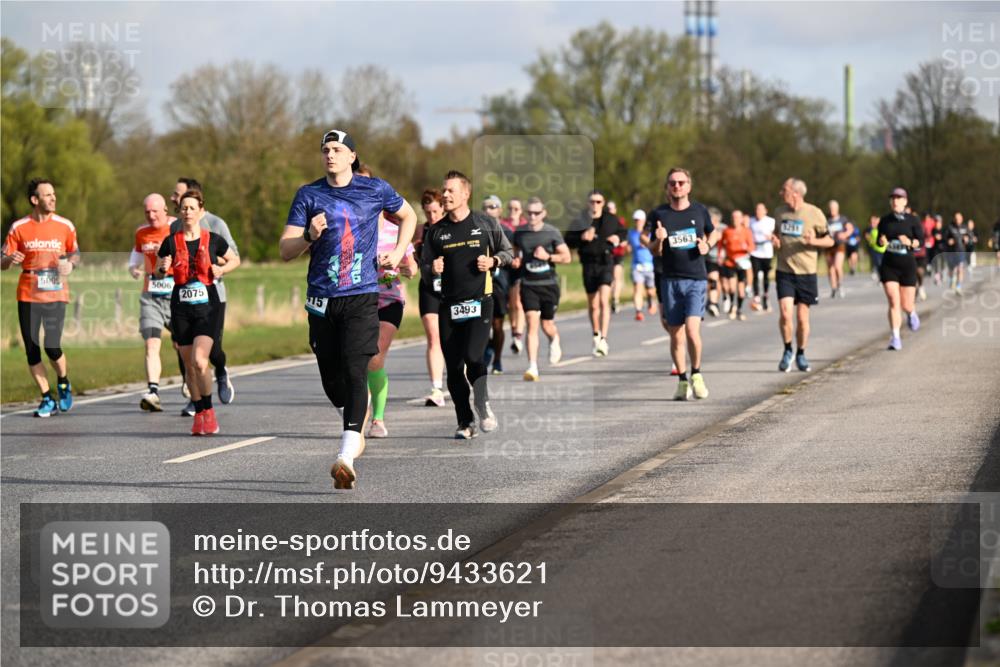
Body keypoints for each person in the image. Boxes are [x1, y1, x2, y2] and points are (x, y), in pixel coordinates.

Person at [279, 129, 417, 489]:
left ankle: (345, 453)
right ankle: (355, 418)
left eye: (337, 149)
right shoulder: (308, 195)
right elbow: (285, 249)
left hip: (361, 294)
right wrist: (308, 236)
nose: (330, 155)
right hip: (322, 299)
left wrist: (400, 253)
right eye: (325, 150)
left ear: (352, 156)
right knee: (332, 380)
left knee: (357, 369)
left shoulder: (375, 189)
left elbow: (409, 216)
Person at [422, 170, 513, 439]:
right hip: (449, 304)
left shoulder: (485, 223)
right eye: (444, 190)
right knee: (454, 367)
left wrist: (493, 262)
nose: (445, 195)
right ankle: (465, 422)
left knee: (474, 358)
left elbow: (508, 252)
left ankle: (482, 405)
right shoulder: (436, 231)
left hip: (480, 302)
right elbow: (424, 267)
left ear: (465, 193)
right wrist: (432, 268)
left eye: (450, 190)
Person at [155, 189, 240, 436]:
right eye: (184, 208)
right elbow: (158, 271)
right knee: (188, 365)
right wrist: (162, 268)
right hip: (180, 308)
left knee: (201, 361)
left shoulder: (213, 239)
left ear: (201, 211)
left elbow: (234, 259)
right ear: (179, 213)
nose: (188, 212)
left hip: (208, 307)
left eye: (192, 208)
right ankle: (200, 413)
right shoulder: (171, 241)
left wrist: (221, 270)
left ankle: (209, 411)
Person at [2, 179, 80, 417]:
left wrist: (70, 265)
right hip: (28, 292)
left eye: (53, 194)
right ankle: (47, 398)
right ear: (35, 200)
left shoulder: (65, 225)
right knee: (32, 348)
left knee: (52, 346)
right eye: (47, 195)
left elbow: (75, 253)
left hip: (56, 291)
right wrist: (8, 260)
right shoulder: (19, 227)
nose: (53, 198)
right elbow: (3, 262)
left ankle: (63, 382)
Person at [642, 167, 718, 401]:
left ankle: (696, 373)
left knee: (692, 331)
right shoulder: (659, 214)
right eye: (673, 183)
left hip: (695, 277)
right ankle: (682, 380)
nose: (677, 186)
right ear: (667, 187)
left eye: (681, 182)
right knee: (676, 334)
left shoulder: (699, 211)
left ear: (689, 186)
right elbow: (651, 247)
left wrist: (708, 245)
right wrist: (658, 241)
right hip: (670, 279)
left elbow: (713, 234)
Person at [771, 178, 833, 373]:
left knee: (802, 318)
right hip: (785, 270)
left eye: (784, 189)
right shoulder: (779, 212)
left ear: (796, 193)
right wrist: (775, 240)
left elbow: (829, 241)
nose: (781, 193)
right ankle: (788, 349)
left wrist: (813, 241)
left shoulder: (814, 213)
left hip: (807, 272)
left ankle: (801, 353)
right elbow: (776, 234)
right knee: (785, 313)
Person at [513, 197, 570, 381]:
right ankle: (532, 367)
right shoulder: (520, 233)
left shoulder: (551, 233)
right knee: (531, 323)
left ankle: (554, 340)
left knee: (547, 325)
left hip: (549, 285)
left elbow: (567, 257)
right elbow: (515, 253)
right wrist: (515, 260)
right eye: (529, 212)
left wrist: (547, 256)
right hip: (528, 285)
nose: (532, 216)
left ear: (543, 213)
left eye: (536, 213)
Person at [129, 194, 176, 411]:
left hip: (177, 294)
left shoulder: (177, 227)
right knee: (151, 343)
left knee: (181, 345)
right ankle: (153, 392)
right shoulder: (141, 232)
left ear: (165, 210)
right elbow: (137, 254)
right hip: (151, 296)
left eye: (155, 211)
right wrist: (133, 268)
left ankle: (190, 383)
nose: (151, 216)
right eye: (147, 212)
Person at [565, 190, 625, 356]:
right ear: (587, 203)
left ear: (603, 203)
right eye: (592, 201)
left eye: (598, 202)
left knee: (604, 300)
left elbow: (623, 231)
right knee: (593, 304)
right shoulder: (580, 220)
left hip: (606, 262)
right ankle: (596, 333)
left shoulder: (611, 219)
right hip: (588, 264)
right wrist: (581, 238)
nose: (595, 205)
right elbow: (568, 240)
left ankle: (604, 338)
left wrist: (617, 239)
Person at [877, 188, 923, 351]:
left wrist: (909, 242)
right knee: (893, 301)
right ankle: (895, 337)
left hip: (907, 266)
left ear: (905, 201)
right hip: (889, 265)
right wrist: (882, 242)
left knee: (906, 304)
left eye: (899, 198)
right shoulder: (885, 220)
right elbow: (879, 242)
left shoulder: (913, 220)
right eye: (893, 198)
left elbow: (920, 243)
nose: (895, 201)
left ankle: (911, 313)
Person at [414, 189, 447, 407]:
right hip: (429, 288)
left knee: (454, 339)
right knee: (434, 338)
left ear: (443, 208)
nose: (432, 217)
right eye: (428, 213)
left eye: (435, 211)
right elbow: (416, 261)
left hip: (454, 291)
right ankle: (436, 388)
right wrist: (428, 266)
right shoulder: (420, 231)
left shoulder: (454, 228)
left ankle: (459, 376)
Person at [482, 194, 510, 374]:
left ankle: (497, 359)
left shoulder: (508, 231)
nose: (490, 210)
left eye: (493, 207)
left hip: (500, 282)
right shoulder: (476, 229)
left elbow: (512, 256)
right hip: (480, 283)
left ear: (500, 210)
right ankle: (485, 350)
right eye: (486, 207)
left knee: (497, 325)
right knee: (482, 324)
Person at [501, 198, 526, 354]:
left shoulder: (525, 226)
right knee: (510, 304)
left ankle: (518, 336)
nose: (512, 211)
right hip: (506, 267)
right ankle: (514, 330)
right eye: (510, 208)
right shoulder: (502, 225)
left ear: (521, 211)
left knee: (517, 302)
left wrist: (520, 259)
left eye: (516, 209)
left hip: (521, 267)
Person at [720, 209, 755, 321]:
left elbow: (752, 247)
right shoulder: (727, 231)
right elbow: (721, 244)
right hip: (730, 262)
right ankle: (731, 306)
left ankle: (739, 309)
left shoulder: (747, 231)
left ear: (741, 219)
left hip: (742, 263)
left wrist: (746, 249)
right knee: (731, 288)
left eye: (737, 217)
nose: (735, 220)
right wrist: (720, 256)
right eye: (733, 217)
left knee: (741, 290)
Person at [628, 209, 658, 320]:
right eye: (635, 220)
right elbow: (628, 245)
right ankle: (638, 311)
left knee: (650, 291)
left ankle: (651, 301)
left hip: (650, 265)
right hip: (637, 266)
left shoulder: (650, 233)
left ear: (644, 220)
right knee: (637, 288)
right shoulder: (631, 233)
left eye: (639, 220)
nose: (637, 222)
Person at [749, 202, 775, 312]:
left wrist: (772, 237)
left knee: (765, 275)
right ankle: (756, 296)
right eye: (757, 210)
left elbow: (776, 235)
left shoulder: (771, 221)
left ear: (765, 211)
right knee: (755, 274)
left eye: (760, 210)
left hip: (767, 251)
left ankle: (765, 295)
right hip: (755, 252)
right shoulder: (751, 221)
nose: (758, 212)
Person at [825, 200, 854, 299]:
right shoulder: (827, 220)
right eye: (830, 208)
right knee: (830, 268)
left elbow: (850, 229)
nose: (832, 210)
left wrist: (845, 234)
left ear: (837, 209)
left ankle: (840, 284)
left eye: (833, 208)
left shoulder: (843, 219)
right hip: (829, 246)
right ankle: (833, 288)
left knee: (837, 266)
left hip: (840, 245)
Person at [607, 200, 628, 313]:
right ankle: (611, 299)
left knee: (617, 276)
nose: (610, 211)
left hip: (618, 253)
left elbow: (624, 238)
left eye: (611, 209)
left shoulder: (620, 221)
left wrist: (619, 242)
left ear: (615, 210)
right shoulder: (603, 222)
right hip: (607, 253)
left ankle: (615, 299)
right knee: (610, 278)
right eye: (608, 209)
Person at [704, 207, 724, 316]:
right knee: (713, 279)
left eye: (715, 220)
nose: (713, 222)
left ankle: (714, 300)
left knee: (721, 283)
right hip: (710, 259)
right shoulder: (705, 230)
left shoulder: (724, 229)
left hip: (724, 260)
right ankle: (713, 302)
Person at [943, 212, 970, 294]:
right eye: (956, 219)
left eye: (959, 219)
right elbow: (944, 237)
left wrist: (967, 239)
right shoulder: (950, 227)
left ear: (962, 219)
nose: (958, 220)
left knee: (960, 268)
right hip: (951, 251)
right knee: (952, 269)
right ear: (954, 219)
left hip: (961, 250)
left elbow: (970, 236)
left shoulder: (965, 227)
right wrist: (948, 241)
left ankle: (958, 286)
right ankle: (952, 279)